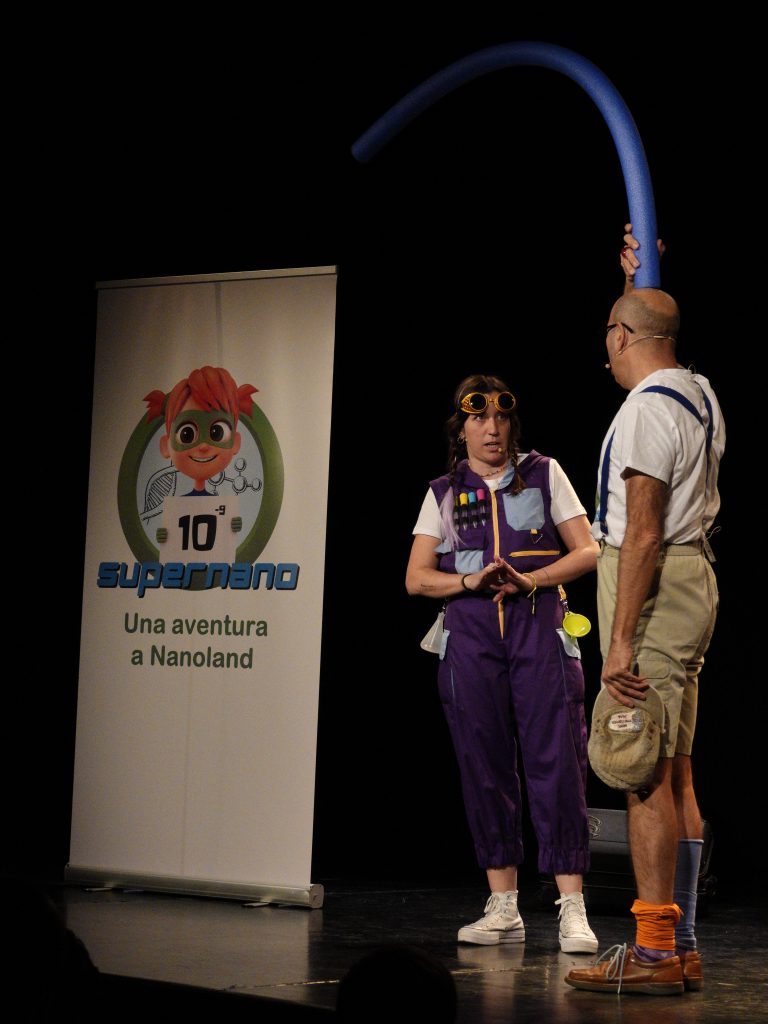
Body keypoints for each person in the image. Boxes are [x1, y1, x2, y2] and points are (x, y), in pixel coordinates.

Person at [565, 236, 724, 995]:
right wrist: (636, 281)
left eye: (610, 332)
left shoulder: (645, 412)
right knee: (676, 767)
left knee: (639, 769)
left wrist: (620, 642)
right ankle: (680, 944)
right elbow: (653, 322)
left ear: (621, 337)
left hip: (654, 589)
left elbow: (644, 532)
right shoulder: (699, 392)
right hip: (693, 581)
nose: (606, 347)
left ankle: (657, 951)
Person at [405, 374, 600, 951]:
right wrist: (468, 581)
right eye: (479, 418)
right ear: (460, 428)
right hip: (470, 638)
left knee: (557, 761)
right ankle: (504, 905)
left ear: (512, 423)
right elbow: (416, 577)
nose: (492, 428)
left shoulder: (544, 472)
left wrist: (532, 579)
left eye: (501, 417)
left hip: (538, 629)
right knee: (483, 764)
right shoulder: (444, 491)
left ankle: (572, 908)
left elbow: (588, 550)